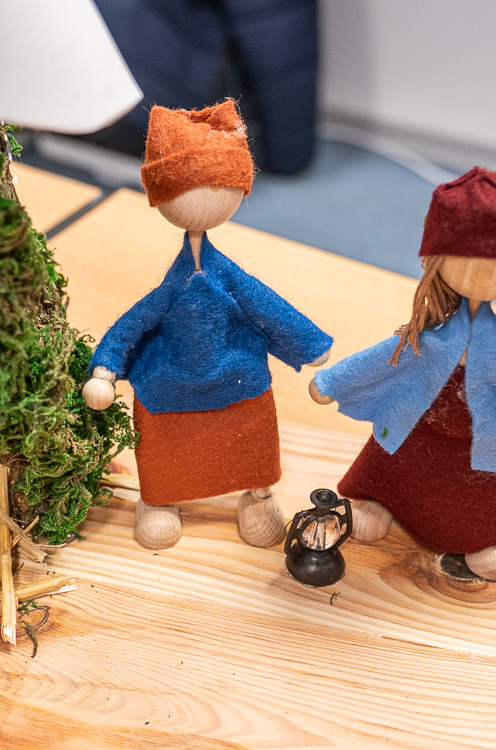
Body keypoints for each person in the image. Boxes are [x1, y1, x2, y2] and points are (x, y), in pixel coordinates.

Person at [311, 167, 496, 580]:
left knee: (478, 505)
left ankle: (489, 539)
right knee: (391, 471)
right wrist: (332, 382)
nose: (484, 270)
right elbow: (384, 356)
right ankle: (377, 500)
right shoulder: (429, 337)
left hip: (480, 454)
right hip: (416, 432)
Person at [83, 100, 332, 550]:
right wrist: (105, 369)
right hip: (167, 386)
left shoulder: (228, 277)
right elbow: (134, 322)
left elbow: (266, 307)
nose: (206, 199)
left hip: (239, 378)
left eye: (220, 185)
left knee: (251, 443)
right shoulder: (172, 287)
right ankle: (158, 500)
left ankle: (257, 495)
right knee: (165, 451)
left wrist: (308, 345)